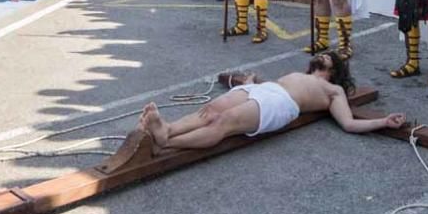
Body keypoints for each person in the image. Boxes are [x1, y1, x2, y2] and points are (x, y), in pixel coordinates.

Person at [138, 51, 405, 151]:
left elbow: (348, 123)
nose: (321, 54)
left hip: (283, 105)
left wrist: (383, 121)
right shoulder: (300, 74)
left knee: (225, 121)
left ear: (333, 69)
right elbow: (275, 85)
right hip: (265, 90)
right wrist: (251, 83)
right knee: (212, 109)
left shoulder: (333, 90)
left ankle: (167, 142)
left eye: (327, 55)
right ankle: (168, 128)